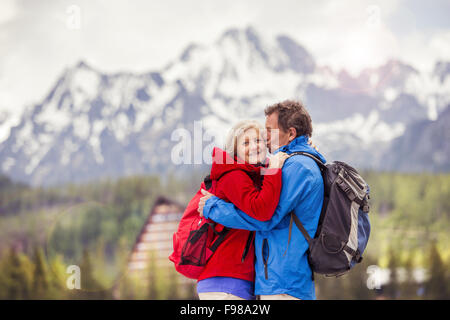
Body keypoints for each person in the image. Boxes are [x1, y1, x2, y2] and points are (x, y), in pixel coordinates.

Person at [199, 100, 326, 300]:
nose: (265, 139)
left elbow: (264, 217)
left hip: (284, 282)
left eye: (268, 131)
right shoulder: (291, 162)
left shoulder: (296, 167)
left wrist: (213, 208)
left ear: (291, 133)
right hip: (279, 280)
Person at [196, 120, 289, 300]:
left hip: (238, 280)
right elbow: (260, 210)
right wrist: (274, 169)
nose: (254, 146)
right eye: (246, 143)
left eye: (258, 141)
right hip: (224, 280)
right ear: (235, 151)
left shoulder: (254, 174)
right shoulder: (233, 175)